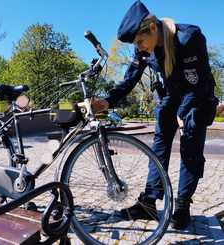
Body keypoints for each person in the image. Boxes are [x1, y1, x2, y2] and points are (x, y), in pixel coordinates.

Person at [92, 0, 219, 230]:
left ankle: (182, 206)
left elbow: (197, 85)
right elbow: (130, 79)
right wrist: (107, 101)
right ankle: (149, 204)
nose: (139, 47)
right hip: (172, 95)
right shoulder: (143, 48)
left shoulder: (189, 38)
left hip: (198, 97)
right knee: (159, 145)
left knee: (190, 145)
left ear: (152, 28)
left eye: (140, 41)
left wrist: (183, 113)